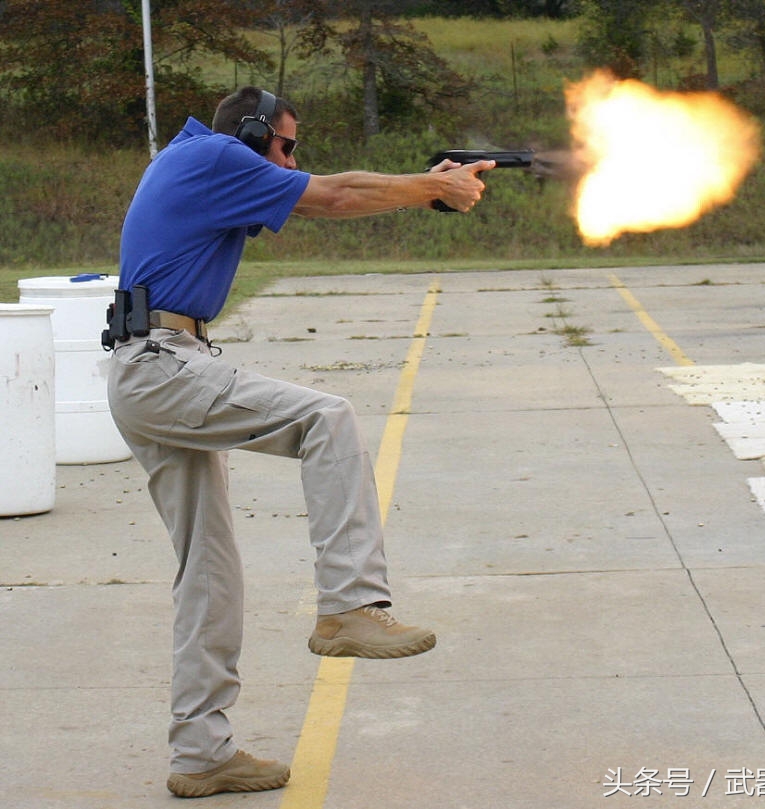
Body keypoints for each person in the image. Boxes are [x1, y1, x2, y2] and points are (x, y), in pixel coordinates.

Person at [105, 85, 493, 799]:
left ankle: (201, 752)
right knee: (327, 417)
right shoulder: (216, 154)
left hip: (153, 365)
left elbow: (331, 190)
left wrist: (425, 187)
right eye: (286, 145)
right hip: (161, 364)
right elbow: (335, 196)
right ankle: (349, 606)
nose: (292, 159)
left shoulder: (203, 162)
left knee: (208, 572)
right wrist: (426, 188)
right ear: (251, 134)